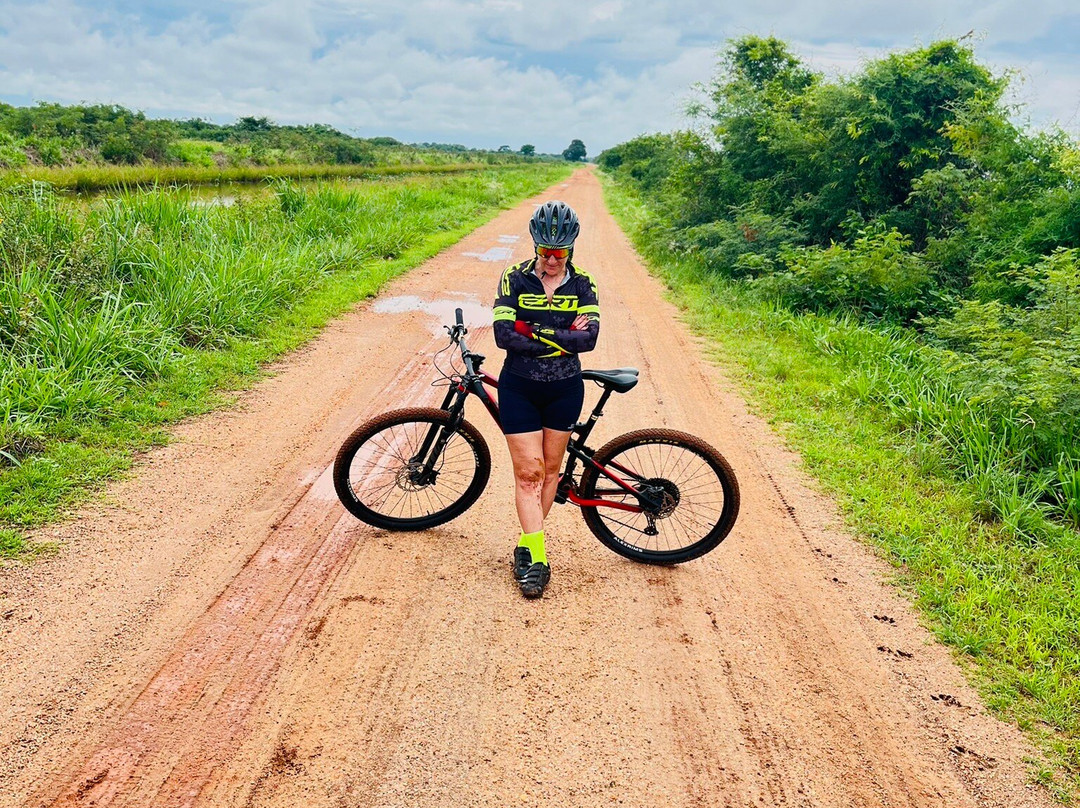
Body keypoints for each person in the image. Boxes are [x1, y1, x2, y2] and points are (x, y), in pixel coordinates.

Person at [492, 200, 600, 598]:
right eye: (544, 251)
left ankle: (526, 544)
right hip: (519, 386)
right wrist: (562, 336)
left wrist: (531, 329)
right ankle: (538, 562)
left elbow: (588, 340)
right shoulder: (514, 278)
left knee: (550, 472)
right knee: (529, 474)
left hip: (565, 388)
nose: (551, 260)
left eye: (560, 253)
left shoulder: (584, 283)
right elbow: (504, 336)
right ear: (535, 245)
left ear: (571, 248)